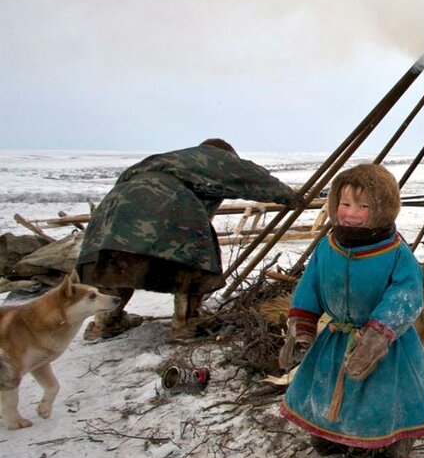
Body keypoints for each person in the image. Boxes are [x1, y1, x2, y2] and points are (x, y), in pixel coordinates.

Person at [278, 164, 424, 458]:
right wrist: (302, 325)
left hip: (386, 347)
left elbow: (407, 295)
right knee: (329, 388)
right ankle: (337, 433)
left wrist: (378, 335)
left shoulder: (395, 252)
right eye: (345, 204)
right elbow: (311, 284)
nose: (351, 214)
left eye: (363, 207)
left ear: (381, 209)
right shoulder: (328, 246)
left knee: (384, 401)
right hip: (338, 336)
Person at [76, 138, 299, 342]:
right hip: (164, 203)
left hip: (114, 208)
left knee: (116, 260)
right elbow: (248, 175)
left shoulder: (168, 160)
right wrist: (289, 196)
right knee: (193, 258)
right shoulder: (214, 156)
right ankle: (186, 324)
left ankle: (106, 322)